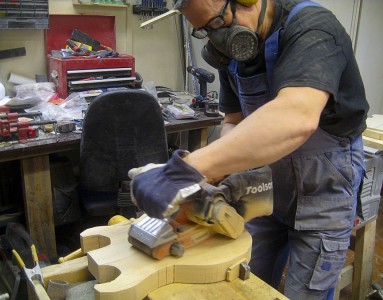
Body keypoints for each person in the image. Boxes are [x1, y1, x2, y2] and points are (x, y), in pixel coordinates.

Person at [129, 0, 370, 299]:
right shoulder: (234, 54)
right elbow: (234, 121)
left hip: (324, 189)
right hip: (266, 189)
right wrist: (217, 173)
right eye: (204, 31)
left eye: (218, 23)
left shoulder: (312, 27)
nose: (218, 39)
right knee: (245, 284)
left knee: (307, 293)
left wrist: (185, 170)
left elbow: (297, 118)